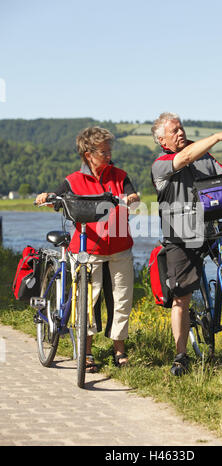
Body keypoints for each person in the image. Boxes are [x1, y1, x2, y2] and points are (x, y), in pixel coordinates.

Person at [151, 112, 222, 376]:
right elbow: (185, 158)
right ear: (162, 140)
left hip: (213, 226)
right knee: (182, 296)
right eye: (174, 131)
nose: (181, 133)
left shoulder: (205, 157)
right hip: (181, 234)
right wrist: (219, 136)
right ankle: (180, 357)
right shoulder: (162, 164)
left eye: (181, 128)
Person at [36, 127, 139, 371]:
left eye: (109, 150)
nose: (109, 155)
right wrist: (46, 196)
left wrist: (132, 198)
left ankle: (119, 351)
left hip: (120, 246)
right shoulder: (74, 180)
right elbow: (56, 196)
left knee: (122, 299)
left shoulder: (119, 175)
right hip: (87, 248)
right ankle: (87, 352)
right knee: (88, 301)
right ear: (88, 153)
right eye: (103, 151)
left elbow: (132, 194)